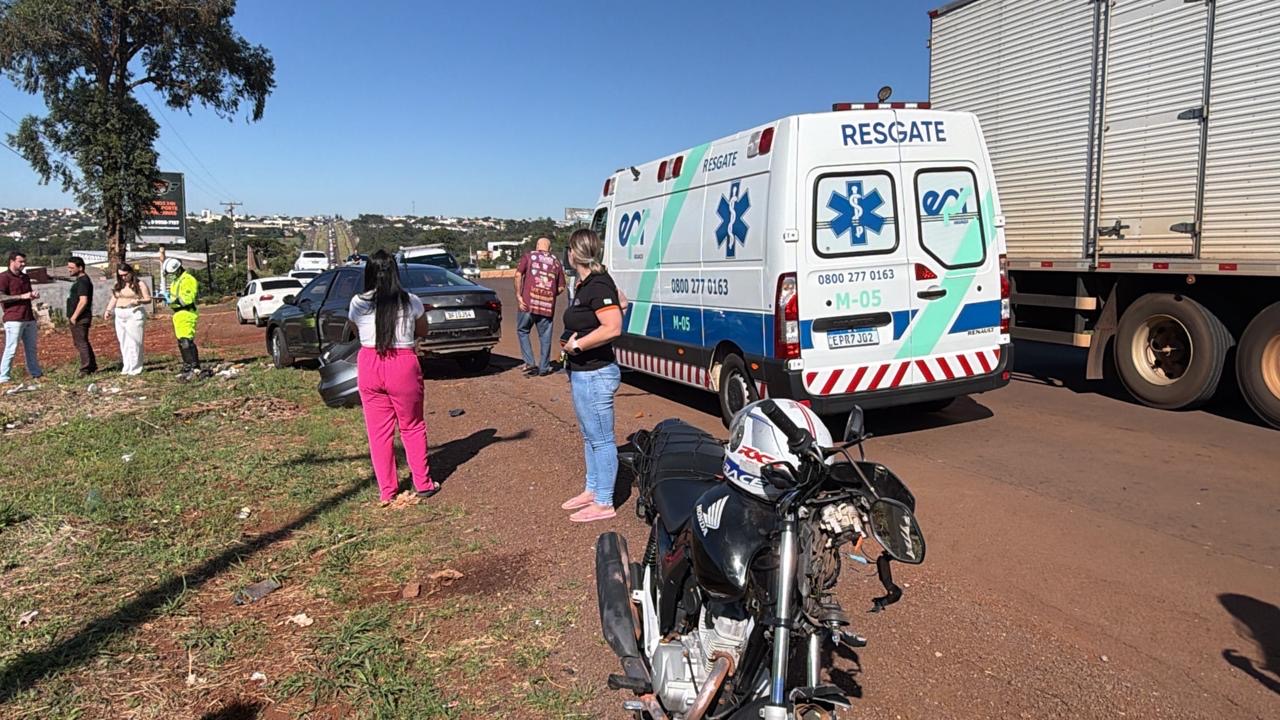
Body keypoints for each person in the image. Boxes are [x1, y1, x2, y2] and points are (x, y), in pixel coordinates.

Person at [349, 249, 439, 506]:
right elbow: (423, 330)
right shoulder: (411, 301)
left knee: (378, 433)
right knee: (412, 425)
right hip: (402, 362)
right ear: (395, 273)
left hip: (369, 361)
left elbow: (356, 331)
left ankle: (387, 491)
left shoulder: (358, 302)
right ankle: (423, 483)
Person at [559, 228, 623, 523]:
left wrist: (578, 344)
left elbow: (613, 326)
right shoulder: (589, 283)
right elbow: (623, 300)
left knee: (602, 439)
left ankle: (604, 502)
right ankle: (593, 489)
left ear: (574, 254)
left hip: (596, 373)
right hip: (583, 371)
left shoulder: (597, 284)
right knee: (589, 436)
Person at [514, 236, 566, 376]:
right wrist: (550, 295)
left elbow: (518, 275)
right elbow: (561, 287)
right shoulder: (556, 262)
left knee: (523, 331)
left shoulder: (528, 257)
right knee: (545, 337)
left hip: (527, 304)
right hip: (547, 307)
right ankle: (544, 367)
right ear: (550, 249)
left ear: (537, 246)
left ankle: (530, 362)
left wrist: (519, 296)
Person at [0, 250, 43, 384]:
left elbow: (27, 294)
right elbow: (1, 297)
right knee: (11, 348)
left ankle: (36, 373)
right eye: (20, 262)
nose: (23, 264)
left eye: (24, 262)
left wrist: (32, 295)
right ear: (12, 261)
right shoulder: (3, 277)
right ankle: (4, 376)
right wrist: (21, 296)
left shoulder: (25, 277)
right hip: (13, 317)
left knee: (31, 348)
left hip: (28, 316)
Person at [103, 262, 152, 376]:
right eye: (121, 275)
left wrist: (139, 301)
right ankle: (127, 366)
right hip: (120, 314)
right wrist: (108, 310)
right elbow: (114, 298)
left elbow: (148, 299)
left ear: (131, 273)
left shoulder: (140, 284)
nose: (124, 277)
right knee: (123, 341)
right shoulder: (119, 284)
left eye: (125, 275)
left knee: (134, 342)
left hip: (133, 313)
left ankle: (135, 368)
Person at [162, 257, 201, 379]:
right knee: (181, 342)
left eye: (171, 274)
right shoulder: (177, 281)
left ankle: (194, 367)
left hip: (186, 312)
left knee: (186, 341)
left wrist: (172, 301)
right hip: (178, 314)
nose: (170, 276)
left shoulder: (187, 280)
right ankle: (187, 366)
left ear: (178, 270)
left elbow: (187, 299)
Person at [66, 256, 97, 376]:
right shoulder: (80, 280)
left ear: (80, 268)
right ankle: (91, 365)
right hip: (79, 317)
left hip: (80, 317)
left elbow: (83, 301)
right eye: (68, 267)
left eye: (71, 268)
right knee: (81, 341)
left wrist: (74, 316)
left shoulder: (83, 281)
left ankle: (86, 368)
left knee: (81, 342)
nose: (69, 270)